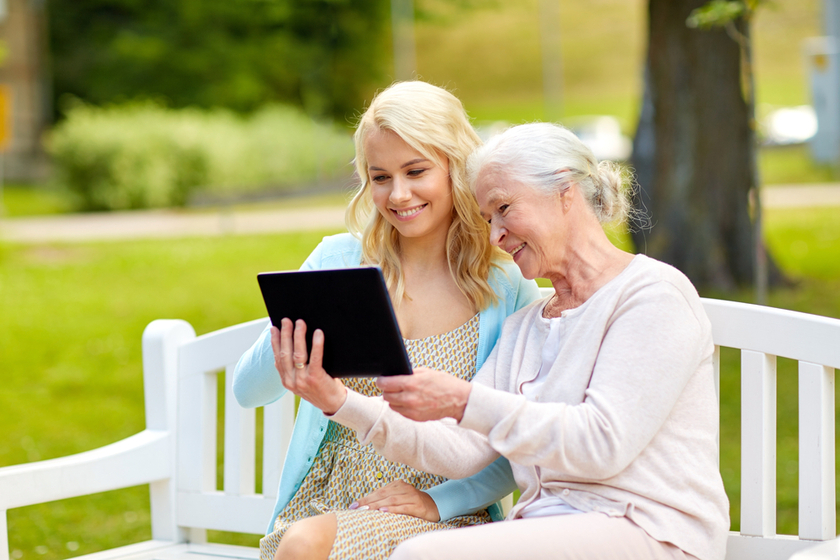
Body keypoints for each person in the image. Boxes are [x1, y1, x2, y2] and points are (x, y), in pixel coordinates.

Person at [279, 122, 731, 560]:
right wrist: (339, 400)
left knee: (421, 555)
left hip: (651, 532)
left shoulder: (651, 295)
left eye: (504, 209)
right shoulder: (526, 326)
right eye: (487, 219)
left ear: (564, 190)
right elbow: (460, 449)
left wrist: (464, 400)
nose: (495, 236)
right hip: (551, 529)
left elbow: (601, 444)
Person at [232, 81, 541, 560]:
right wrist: (292, 325)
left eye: (416, 171)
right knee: (302, 542)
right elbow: (247, 391)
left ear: (455, 167)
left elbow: (512, 441)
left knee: (304, 548)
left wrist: (435, 502)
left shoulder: (503, 285)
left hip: (445, 515)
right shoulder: (340, 261)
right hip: (327, 503)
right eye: (379, 177)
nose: (398, 195)